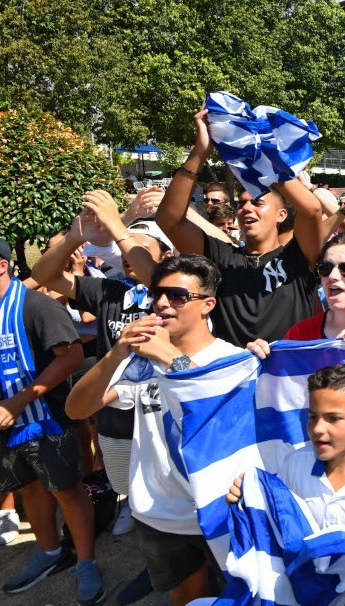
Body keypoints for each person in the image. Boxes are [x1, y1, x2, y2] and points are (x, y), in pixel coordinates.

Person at [66, 255, 243, 606]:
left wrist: (170, 358)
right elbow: (77, 409)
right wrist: (117, 353)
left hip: (222, 509)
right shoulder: (138, 362)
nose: (162, 303)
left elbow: (216, 421)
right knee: (189, 598)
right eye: (158, 294)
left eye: (177, 295)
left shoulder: (234, 362)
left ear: (208, 305)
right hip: (160, 513)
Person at [31, 192, 175, 539]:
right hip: (114, 413)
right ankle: (128, 506)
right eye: (127, 249)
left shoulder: (175, 293)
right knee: (127, 482)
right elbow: (44, 275)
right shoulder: (108, 290)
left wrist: (117, 224)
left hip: (162, 411)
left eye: (139, 250)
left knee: (169, 494)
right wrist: (75, 237)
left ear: (165, 257)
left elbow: (156, 278)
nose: (128, 257)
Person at [226, 364, 345, 599]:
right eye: (312, 417)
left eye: (333, 418)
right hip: (308, 595)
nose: (317, 429)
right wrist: (247, 495)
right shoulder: (296, 463)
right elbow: (278, 522)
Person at [156, 109, 327, 347]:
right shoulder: (220, 256)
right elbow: (169, 221)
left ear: (281, 215)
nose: (246, 207)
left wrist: (265, 164)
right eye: (241, 203)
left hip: (290, 373)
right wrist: (199, 152)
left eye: (257, 202)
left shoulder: (298, 257)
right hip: (235, 374)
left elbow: (312, 211)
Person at [0, 238, 102, 604]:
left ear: (1, 265)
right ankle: (48, 551)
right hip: (6, 427)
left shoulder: (34, 305)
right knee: (29, 488)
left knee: (68, 491)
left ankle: (86, 562)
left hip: (46, 420)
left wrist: (19, 399)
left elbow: (72, 355)